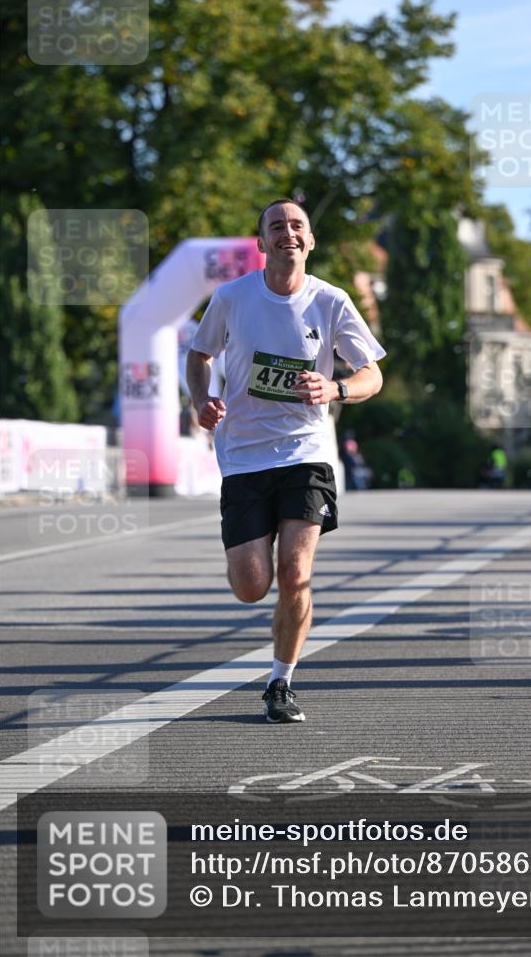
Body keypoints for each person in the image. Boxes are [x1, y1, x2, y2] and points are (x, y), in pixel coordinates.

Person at [186, 199, 386, 722]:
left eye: (297, 226)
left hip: (307, 453)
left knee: (295, 574)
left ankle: (281, 682)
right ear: (262, 243)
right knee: (252, 586)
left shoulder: (332, 301)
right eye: (276, 227)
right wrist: (200, 400)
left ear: (310, 241)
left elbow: (373, 374)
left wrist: (336, 386)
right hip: (245, 455)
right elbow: (199, 354)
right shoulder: (232, 297)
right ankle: (251, 564)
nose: (287, 233)